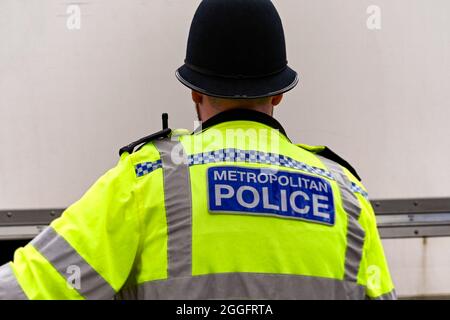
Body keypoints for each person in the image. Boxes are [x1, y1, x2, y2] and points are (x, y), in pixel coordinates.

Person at [0, 0, 395, 300]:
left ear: (194, 91)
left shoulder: (147, 179)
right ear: (278, 94)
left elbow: (27, 287)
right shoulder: (346, 196)